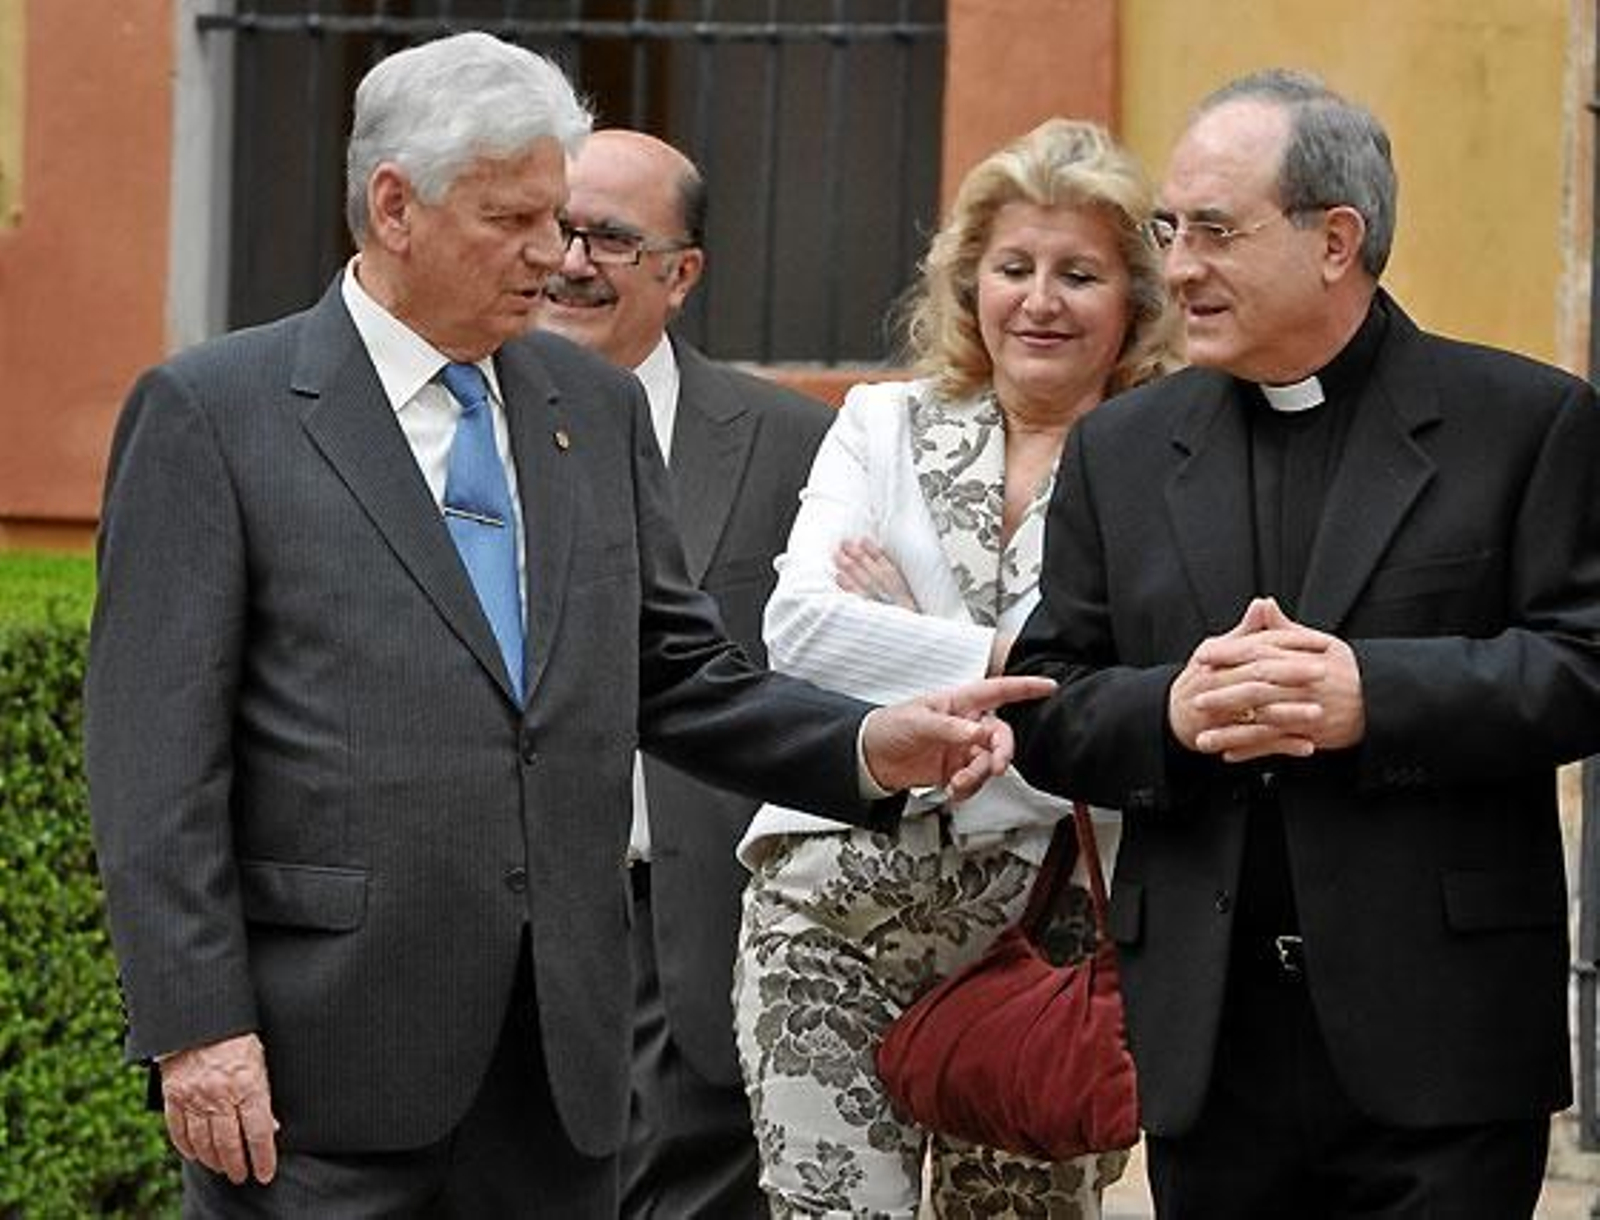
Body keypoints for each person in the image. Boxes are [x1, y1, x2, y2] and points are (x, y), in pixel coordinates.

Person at [81, 32, 1052, 1217]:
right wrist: (197, 1029)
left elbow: (676, 672)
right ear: (395, 205)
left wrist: (862, 745)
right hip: (316, 1068)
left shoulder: (587, 406)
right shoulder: (216, 413)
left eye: (562, 217)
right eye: (515, 220)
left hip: (558, 1068)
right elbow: (153, 762)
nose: (554, 255)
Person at [1003, 69, 1600, 1218]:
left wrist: (1372, 693)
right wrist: (1170, 713)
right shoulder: (1122, 448)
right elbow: (1046, 702)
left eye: (1216, 231)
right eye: (1168, 229)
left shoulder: (1524, 423)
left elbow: (1582, 664)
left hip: (1441, 1044)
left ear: (1337, 239)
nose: (1176, 268)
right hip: (1208, 1044)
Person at [730, 118, 1176, 1217]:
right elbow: (798, 632)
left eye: (1078, 273)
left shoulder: (1170, 459)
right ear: (969, 280)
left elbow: (1130, 714)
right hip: (824, 914)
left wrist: (906, 627)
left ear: (1133, 300)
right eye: (1012, 268)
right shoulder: (882, 423)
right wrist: (1025, 664)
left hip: (1053, 933)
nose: (1039, 300)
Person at [534, 128, 834, 1219]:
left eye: (609, 237)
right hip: (513, 932)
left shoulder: (797, 443)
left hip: (704, 933)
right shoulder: (457, 429)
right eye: (553, 228)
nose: (570, 259)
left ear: (682, 272)